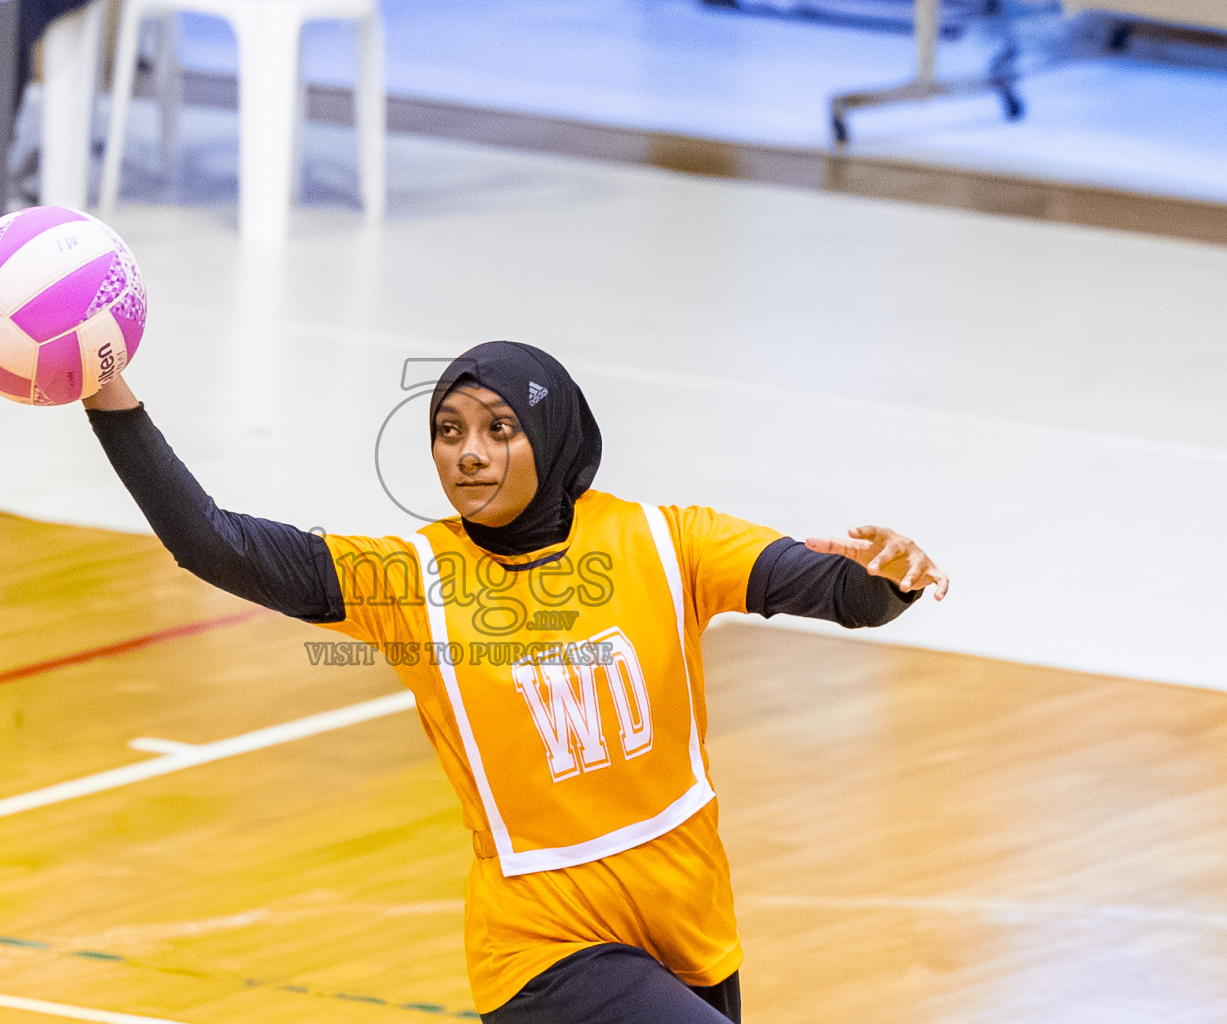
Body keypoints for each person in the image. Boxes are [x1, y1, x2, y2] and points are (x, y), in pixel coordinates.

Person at [82, 340, 948, 1023]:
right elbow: (212, 542)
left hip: (690, 923)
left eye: (500, 427)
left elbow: (839, 589)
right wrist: (106, 393)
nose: (469, 453)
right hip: (543, 946)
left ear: (555, 435)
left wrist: (889, 575)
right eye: (448, 430)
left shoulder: (664, 541)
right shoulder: (408, 581)